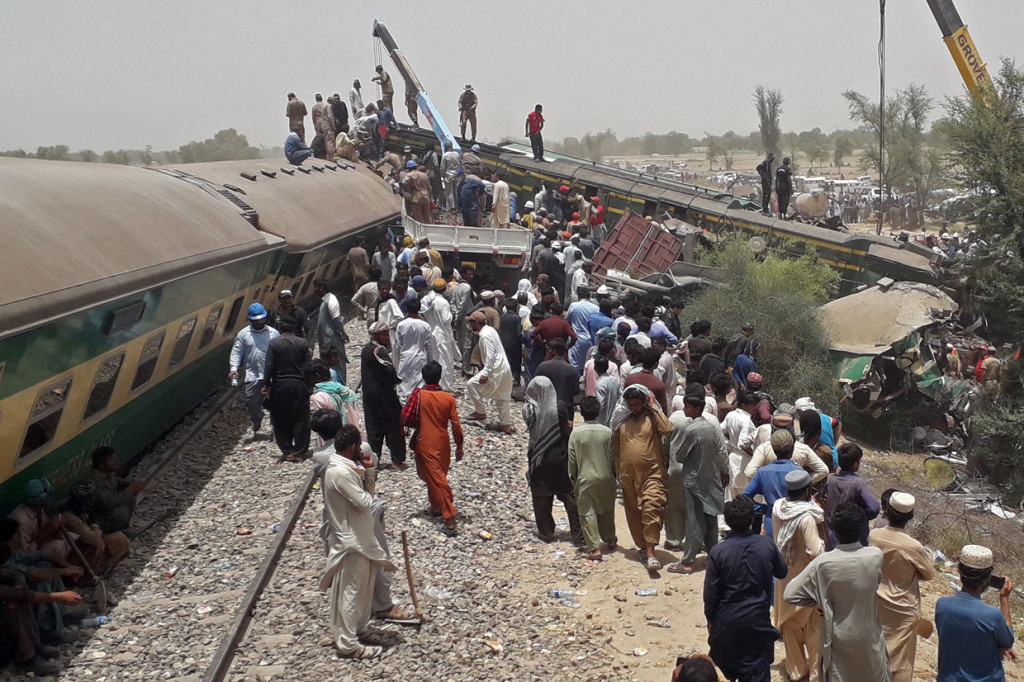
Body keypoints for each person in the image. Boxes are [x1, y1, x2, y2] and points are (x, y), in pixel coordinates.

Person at [784, 503, 892, 682]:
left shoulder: (822, 563)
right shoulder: (875, 555)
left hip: (837, 638)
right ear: (861, 530)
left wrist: (821, 601)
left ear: (835, 533)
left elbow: (790, 594)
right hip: (869, 637)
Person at [320, 424, 396, 659]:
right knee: (351, 592)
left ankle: (359, 628)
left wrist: (368, 472)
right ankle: (348, 643)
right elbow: (365, 502)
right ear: (352, 447)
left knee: (363, 589)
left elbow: (366, 497)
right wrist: (364, 474)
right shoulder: (340, 473)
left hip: (362, 539)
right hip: (353, 542)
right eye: (358, 447)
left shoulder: (346, 469)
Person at [704, 496, 787, 682]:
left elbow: (710, 595)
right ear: (752, 520)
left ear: (727, 522)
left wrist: (710, 621)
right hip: (758, 625)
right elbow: (782, 572)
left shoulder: (718, 552)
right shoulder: (766, 544)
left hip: (726, 626)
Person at [0, 519, 82, 675]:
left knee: (23, 591)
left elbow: (14, 575)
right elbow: (21, 594)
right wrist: (60, 596)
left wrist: (18, 584)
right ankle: (27, 657)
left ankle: (35, 643)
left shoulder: (11, 555)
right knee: (12, 605)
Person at [869, 492, 936, 682]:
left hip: (875, 602)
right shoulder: (913, 546)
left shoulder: (873, 535)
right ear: (910, 517)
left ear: (887, 512)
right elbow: (929, 574)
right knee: (901, 663)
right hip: (903, 610)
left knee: (873, 651)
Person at [771, 469, 825, 682]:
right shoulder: (807, 518)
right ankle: (816, 674)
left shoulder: (778, 508)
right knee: (814, 631)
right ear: (807, 491)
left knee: (790, 627)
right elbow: (816, 552)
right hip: (807, 581)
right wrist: (823, 543)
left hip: (785, 578)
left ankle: (796, 671)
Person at [666, 394, 729, 574]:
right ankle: (712, 557)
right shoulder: (711, 426)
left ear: (697, 409)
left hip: (694, 481)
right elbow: (720, 450)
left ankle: (687, 562)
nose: (685, 410)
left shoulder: (691, 429)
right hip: (711, 479)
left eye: (687, 407)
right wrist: (724, 470)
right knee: (711, 520)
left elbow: (680, 456)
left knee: (694, 521)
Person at [613, 385, 673, 571]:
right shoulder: (622, 420)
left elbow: (667, 429)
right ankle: (643, 546)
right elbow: (615, 448)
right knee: (634, 513)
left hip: (652, 473)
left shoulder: (652, 419)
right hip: (628, 475)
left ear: (643, 403)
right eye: (630, 405)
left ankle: (651, 553)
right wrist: (617, 471)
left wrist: (653, 407)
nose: (634, 408)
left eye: (637, 404)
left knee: (651, 508)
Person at [935, 544, 1015, 681]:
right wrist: (1004, 598)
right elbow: (1008, 641)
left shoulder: (942, 605)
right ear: (988, 578)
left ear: (959, 570)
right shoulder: (992, 615)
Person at [403, 362, 464, 535]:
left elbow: (405, 417)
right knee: (436, 475)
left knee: (437, 479)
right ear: (440, 376)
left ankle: (449, 518)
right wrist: (459, 445)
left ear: (423, 377)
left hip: (425, 442)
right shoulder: (448, 398)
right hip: (443, 444)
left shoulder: (419, 395)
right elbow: (456, 425)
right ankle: (436, 506)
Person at [567, 397, 616, 559]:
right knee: (606, 509)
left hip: (585, 477)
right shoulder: (608, 432)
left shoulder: (576, 434)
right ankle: (610, 538)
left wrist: (573, 478)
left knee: (587, 512)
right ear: (598, 411)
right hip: (606, 476)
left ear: (581, 413)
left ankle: (594, 548)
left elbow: (572, 460)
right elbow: (613, 457)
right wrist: (613, 475)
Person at [263, 316, 313, 461]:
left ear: (279, 327)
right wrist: (310, 385)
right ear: (294, 327)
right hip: (298, 384)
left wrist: (265, 385)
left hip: (279, 385)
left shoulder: (274, 343)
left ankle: (287, 450)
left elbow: (269, 365)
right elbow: (308, 367)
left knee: (279, 417)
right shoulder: (302, 343)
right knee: (301, 418)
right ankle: (300, 451)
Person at [361, 322, 407, 470]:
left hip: (369, 396)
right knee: (393, 426)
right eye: (384, 335)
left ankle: (374, 460)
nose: (387, 337)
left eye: (387, 334)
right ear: (375, 336)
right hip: (384, 396)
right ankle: (397, 460)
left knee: (373, 428)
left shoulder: (365, 350)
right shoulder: (379, 350)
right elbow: (389, 369)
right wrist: (395, 381)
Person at [229, 302, 279, 436]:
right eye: (256, 320)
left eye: (262, 319)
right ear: (250, 319)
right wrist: (234, 368)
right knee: (252, 403)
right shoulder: (243, 334)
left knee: (276, 403)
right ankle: (257, 419)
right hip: (253, 375)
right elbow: (236, 352)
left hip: (272, 375)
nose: (259, 322)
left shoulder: (273, 333)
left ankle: (275, 430)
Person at [742, 430, 802, 537]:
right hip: (795, 524)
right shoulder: (800, 472)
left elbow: (744, 498)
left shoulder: (763, 472)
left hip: (771, 524)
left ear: (773, 450)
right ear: (792, 449)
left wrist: (764, 509)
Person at [465, 311, 514, 434]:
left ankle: (480, 412)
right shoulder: (490, 330)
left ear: (476, 323)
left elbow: (490, 356)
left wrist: (485, 373)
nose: (470, 325)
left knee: (471, 384)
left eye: (471, 322)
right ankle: (505, 425)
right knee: (503, 397)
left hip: (495, 369)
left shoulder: (485, 335)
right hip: (504, 368)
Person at [825, 443, 879, 548]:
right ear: (855, 464)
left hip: (833, 532)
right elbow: (873, 508)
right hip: (853, 536)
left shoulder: (830, 479)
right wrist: (862, 516)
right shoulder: (858, 483)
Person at [85, 447, 146, 534]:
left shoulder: (108, 473)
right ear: (101, 465)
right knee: (121, 512)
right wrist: (128, 490)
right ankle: (111, 533)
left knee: (130, 499)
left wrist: (130, 484)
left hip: (108, 511)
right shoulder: (94, 482)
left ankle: (122, 529)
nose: (116, 461)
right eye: (111, 459)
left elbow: (116, 481)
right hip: (99, 518)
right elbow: (107, 503)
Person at [306, 360, 362, 438]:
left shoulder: (319, 397)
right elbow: (358, 420)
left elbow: (322, 426)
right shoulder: (348, 392)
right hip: (354, 438)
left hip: (335, 441)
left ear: (317, 376)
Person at [395, 298, 436, 403]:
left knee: (404, 384)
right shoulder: (425, 326)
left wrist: (396, 362)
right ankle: (417, 406)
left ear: (406, 308)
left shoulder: (401, 325)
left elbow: (398, 346)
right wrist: (431, 362)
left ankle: (405, 407)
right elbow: (429, 346)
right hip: (420, 357)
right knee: (419, 383)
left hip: (405, 357)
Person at [721, 391, 758, 506]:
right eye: (752, 405)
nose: (755, 408)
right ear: (743, 405)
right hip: (744, 460)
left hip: (733, 457)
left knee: (731, 493)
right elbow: (743, 444)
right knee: (743, 495)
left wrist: (728, 444)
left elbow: (720, 430)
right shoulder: (746, 421)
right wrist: (757, 455)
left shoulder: (731, 415)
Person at [314, 279, 348, 383]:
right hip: (327, 340)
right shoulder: (325, 301)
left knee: (337, 364)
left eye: (315, 288)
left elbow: (336, 319)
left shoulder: (331, 300)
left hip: (331, 340)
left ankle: (341, 385)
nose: (314, 290)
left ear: (321, 288)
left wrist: (343, 334)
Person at [536, 337, 580, 410]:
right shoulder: (572, 369)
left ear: (554, 351)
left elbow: (536, 388)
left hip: (546, 409)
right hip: (566, 409)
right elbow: (576, 391)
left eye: (549, 350)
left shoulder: (542, 367)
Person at [499, 300, 524, 385]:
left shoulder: (501, 317)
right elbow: (518, 333)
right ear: (516, 307)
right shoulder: (517, 318)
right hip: (514, 344)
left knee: (506, 361)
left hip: (503, 342)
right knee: (516, 362)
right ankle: (516, 379)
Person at [594, 357, 621, 427]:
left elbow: (600, 404)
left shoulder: (600, 384)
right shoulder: (614, 380)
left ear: (595, 368)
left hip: (602, 422)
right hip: (613, 420)